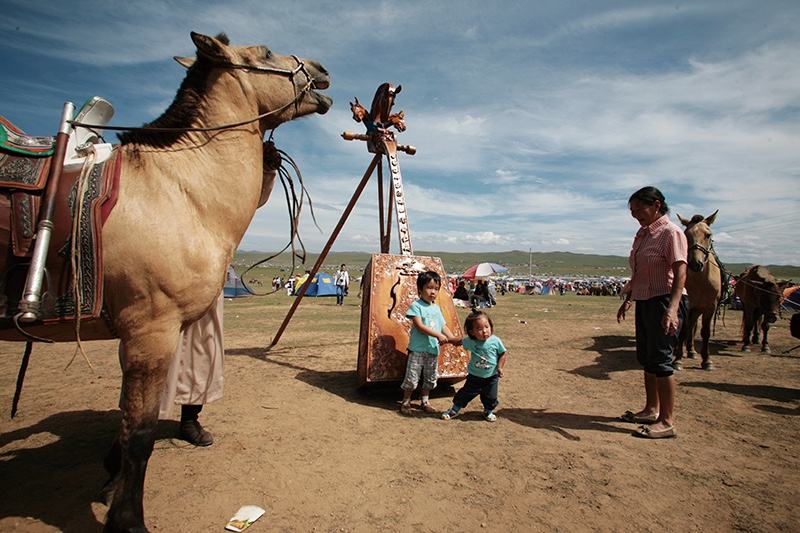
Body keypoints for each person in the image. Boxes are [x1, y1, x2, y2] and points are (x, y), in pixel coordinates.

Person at [617, 186, 687, 439]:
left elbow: (680, 272)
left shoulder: (671, 233)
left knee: (661, 359)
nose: (635, 215)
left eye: (639, 209)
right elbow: (640, 273)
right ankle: (650, 409)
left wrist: (672, 308)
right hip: (645, 299)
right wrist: (628, 297)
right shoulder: (642, 235)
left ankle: (667, 421)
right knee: (647, 358)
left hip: (664, 300)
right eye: (632, 211)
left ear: (656, 204)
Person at [117, 293, 223, 447]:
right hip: (158, 289)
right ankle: (137, 419)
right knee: (149, 349)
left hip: (202, 286)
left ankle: (190, 419)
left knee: (198, 353)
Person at [399, 270, 457, 415]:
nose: (433, 292)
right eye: (429, 288)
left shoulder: (436, 308)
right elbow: (420, 326)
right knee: (412, 377)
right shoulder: (416, 306)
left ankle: (425, 401)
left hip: (432, 350)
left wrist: (453, 339)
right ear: (420, 289)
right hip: (417, 349)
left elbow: (443, 326)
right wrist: (438, 335)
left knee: (430, 378)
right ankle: (406, 402)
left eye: (436, 288)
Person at [441, 310, 507, 422]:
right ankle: (454, 409)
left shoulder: (496, 341)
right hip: (474, 377)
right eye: (479, 329)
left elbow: (503, 353)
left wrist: (500, 367)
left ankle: (488, 411)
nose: (484, 331)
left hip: (491, 377)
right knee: (465, 394)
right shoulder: (471, 341)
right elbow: (458, 342)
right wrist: (446, 340)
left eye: (487, 327)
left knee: (490, 397)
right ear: (472, 332)